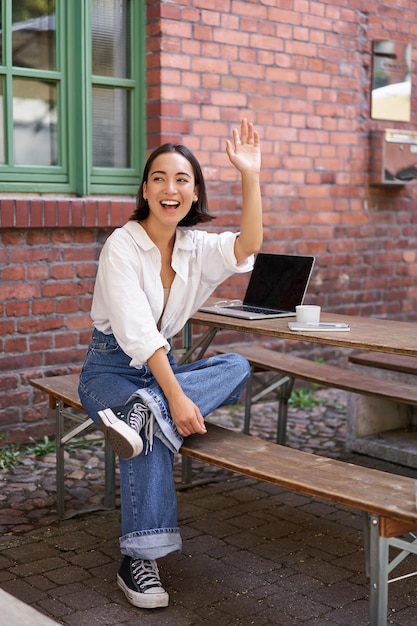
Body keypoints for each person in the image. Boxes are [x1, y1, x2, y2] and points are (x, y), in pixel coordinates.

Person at [78, 118, 262, 610]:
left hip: (155, 376)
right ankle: (138, 559)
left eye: (182, 179)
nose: (170, 188)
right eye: (159, 177)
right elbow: (137, 333)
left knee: (238, 365)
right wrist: (175, 398)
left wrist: (250, 174)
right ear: (145, 188)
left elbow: (247, 245)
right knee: (150, 436)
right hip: (110, 374)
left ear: (194, 192)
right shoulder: (122, 245)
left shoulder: (195, 246)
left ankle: (147, 408)